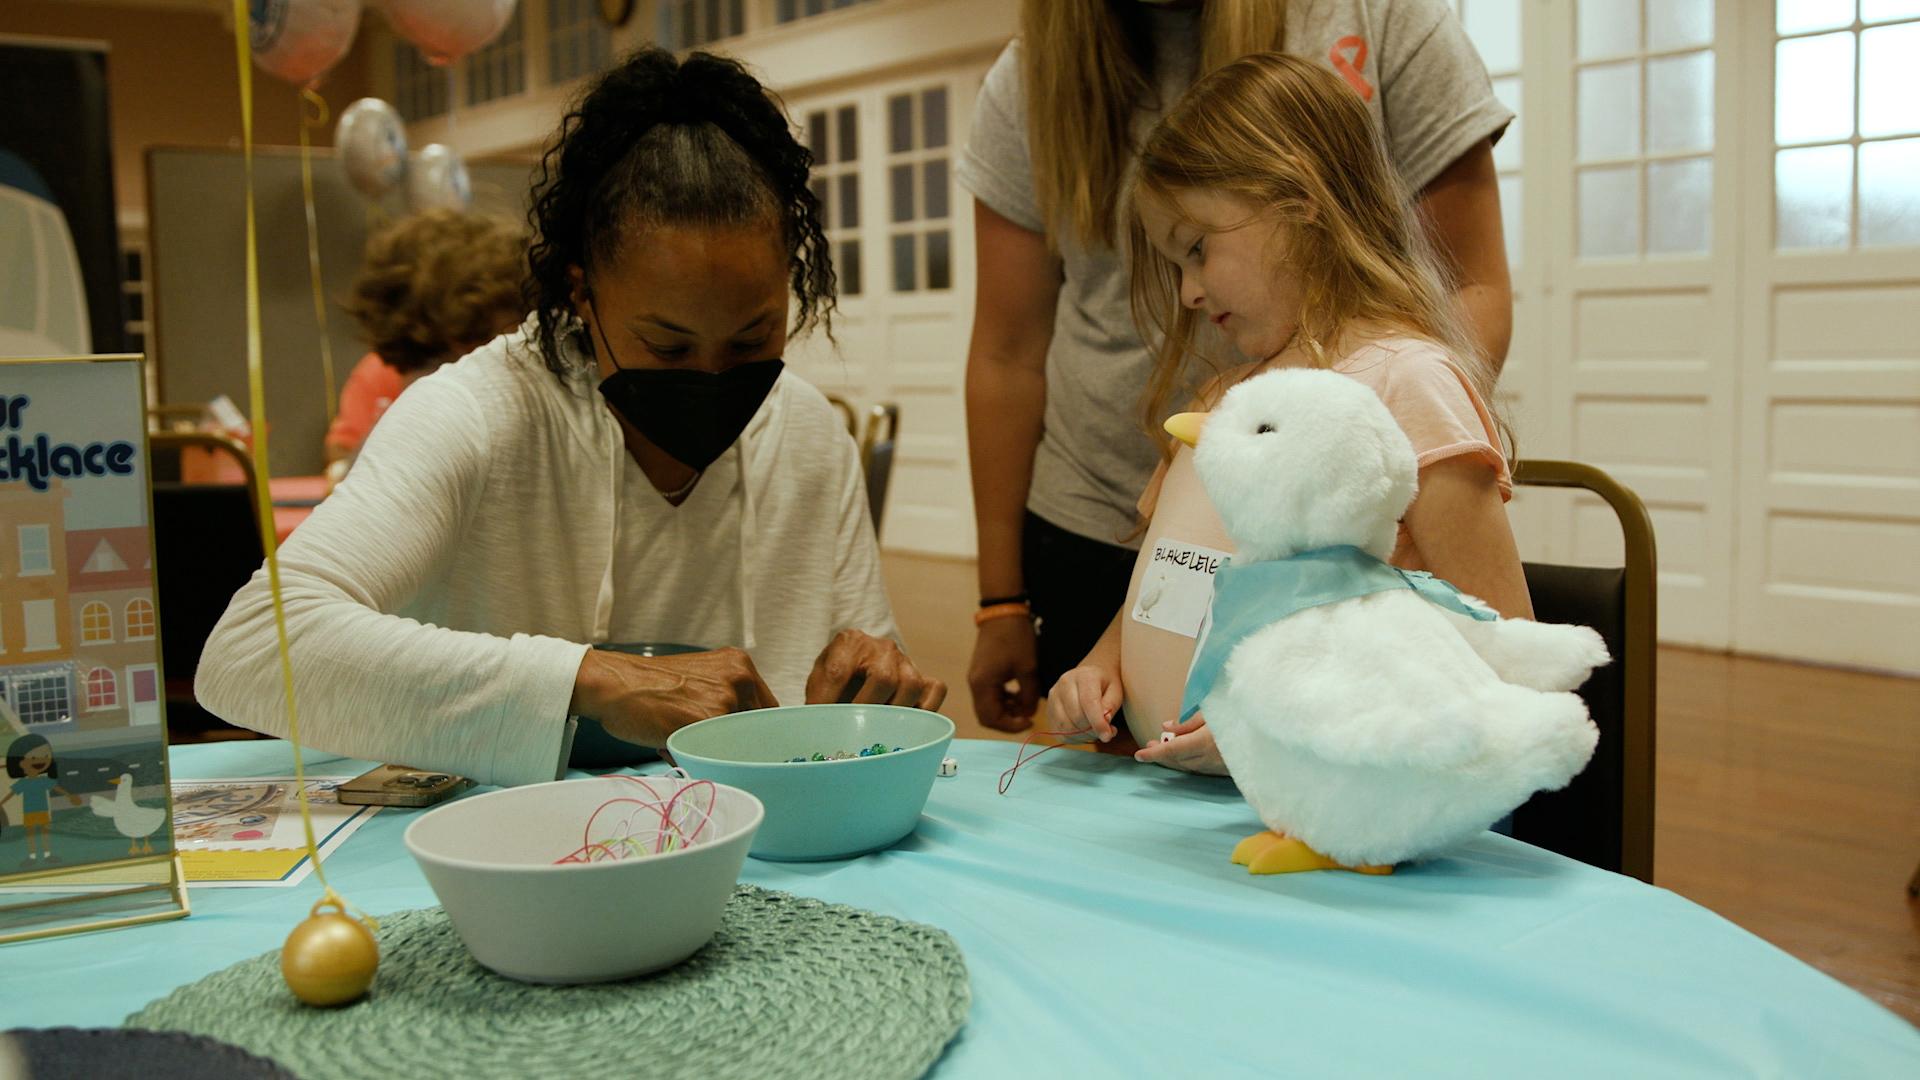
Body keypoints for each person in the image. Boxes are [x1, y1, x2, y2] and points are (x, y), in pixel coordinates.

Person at [198, 48, 944, 787]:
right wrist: (591, 679)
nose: (714, 376)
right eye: (669, 345)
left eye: (753, 337)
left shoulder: (807, 432)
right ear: (582, 293)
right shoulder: (479, 414)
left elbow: (858, 699)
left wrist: (877, 692)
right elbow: (252, 650)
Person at [958, 0, 1513, 738]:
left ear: (1299, 203)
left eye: (1198, 251)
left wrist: (1276, 728)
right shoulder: (1222, 405)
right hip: (1197, 802)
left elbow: (1498, 658)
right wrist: (1095, 671)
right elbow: (1158, 598)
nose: (1185, 296)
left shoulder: (1413, 391)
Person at [324, 210, 531, 466]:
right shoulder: (455, 426)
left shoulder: (393, 435)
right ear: (465, 337)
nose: (529, 338)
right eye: (517, 325)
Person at [4, 734, 81, 865]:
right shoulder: (23, 783)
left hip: (42, 810)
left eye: (46, 756)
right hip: (29, 811)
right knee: (31, 834)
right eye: (34, 758)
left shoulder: (43, 780)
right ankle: (32, 856)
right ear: (22, 763)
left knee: (45, 832)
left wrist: (70, 796)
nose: (41, 761)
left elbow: (57, 788)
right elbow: (11, 794)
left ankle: (47, 854)